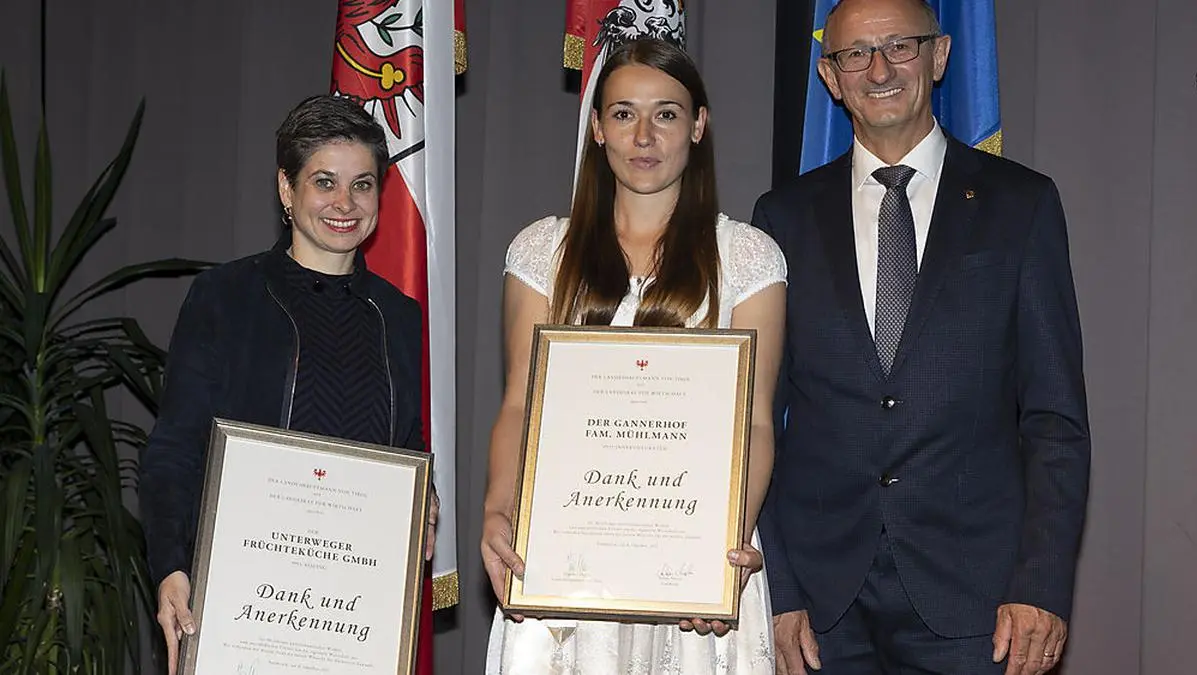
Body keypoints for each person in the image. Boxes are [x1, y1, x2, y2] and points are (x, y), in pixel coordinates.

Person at [753, 1, 1091, 674]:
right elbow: (757, 417)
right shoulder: (780, 218)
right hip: (822, 609)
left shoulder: (1021, 204)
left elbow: (1056, 420)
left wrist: (1042, 585)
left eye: (899, 46)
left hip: (980, 605)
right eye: (855, 54)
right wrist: (779, 587)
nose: (878, 69)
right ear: (830, 75)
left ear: (939, 56)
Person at [480, 39, 785, 674]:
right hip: (564, 570)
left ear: (698, 126)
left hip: (694, 566)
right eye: (622, 114)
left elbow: (755, 419)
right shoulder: (542, 251)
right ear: (596, 127)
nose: (643, 135)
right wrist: (497, 512)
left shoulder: (749, 258)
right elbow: (519, 403)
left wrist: (727, 546)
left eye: (666, 114)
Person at [138, 94, 437, 675]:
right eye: (324, 182)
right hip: (241, 606)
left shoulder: (399, 317)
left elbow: (407, 445)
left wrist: (423, 501)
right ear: (286, 189)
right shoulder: (225, 296)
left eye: (363, 184)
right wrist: (170, 567)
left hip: (353, 613)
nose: (345, 204)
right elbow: (175, 447)